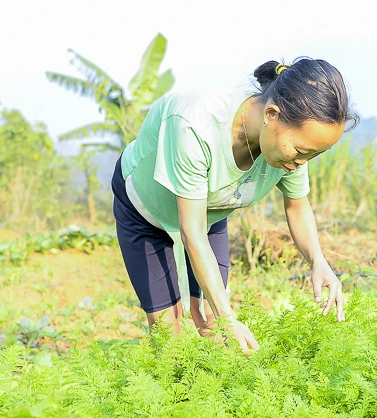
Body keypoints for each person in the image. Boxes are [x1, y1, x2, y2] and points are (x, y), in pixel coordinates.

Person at [111, 57, 357, 353]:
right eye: (301, 151)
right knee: (169, 331)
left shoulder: (291, 149)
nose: (301, 163)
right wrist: (230, 319)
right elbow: (192, 232)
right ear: (271, 114)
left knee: (212, 320)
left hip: (210, 213)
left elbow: (296, 206)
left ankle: (215, 391)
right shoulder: (196, 123)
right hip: (145, 211)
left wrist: (318, 261)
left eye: (313, 155)